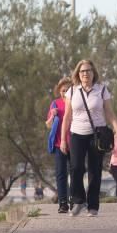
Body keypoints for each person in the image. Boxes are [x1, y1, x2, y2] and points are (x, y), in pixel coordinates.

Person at [60, 59, 117, 217]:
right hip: (77, 134)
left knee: (95, 170)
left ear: (93, 73)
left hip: (97, 135)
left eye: (88, 70)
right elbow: (67, 116)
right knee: (76, 167)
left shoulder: (101, 90)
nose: (85, 74)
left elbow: (109, 112)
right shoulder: (72, 91)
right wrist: (62, 139)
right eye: (82, 71)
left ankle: (93, 206)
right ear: (77, 74)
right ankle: (79, 201)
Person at [46, 76, 73, 213]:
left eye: (68, 90)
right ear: (59, 91)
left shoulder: (76, 103)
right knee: (61, 174)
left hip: (74, 144)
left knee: (76, 172)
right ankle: (63, 203)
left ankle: (75, 200)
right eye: (63, 90)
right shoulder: (55, 103)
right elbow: (48, 125)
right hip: (58, 145)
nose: (65, 92)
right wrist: (52, 115)